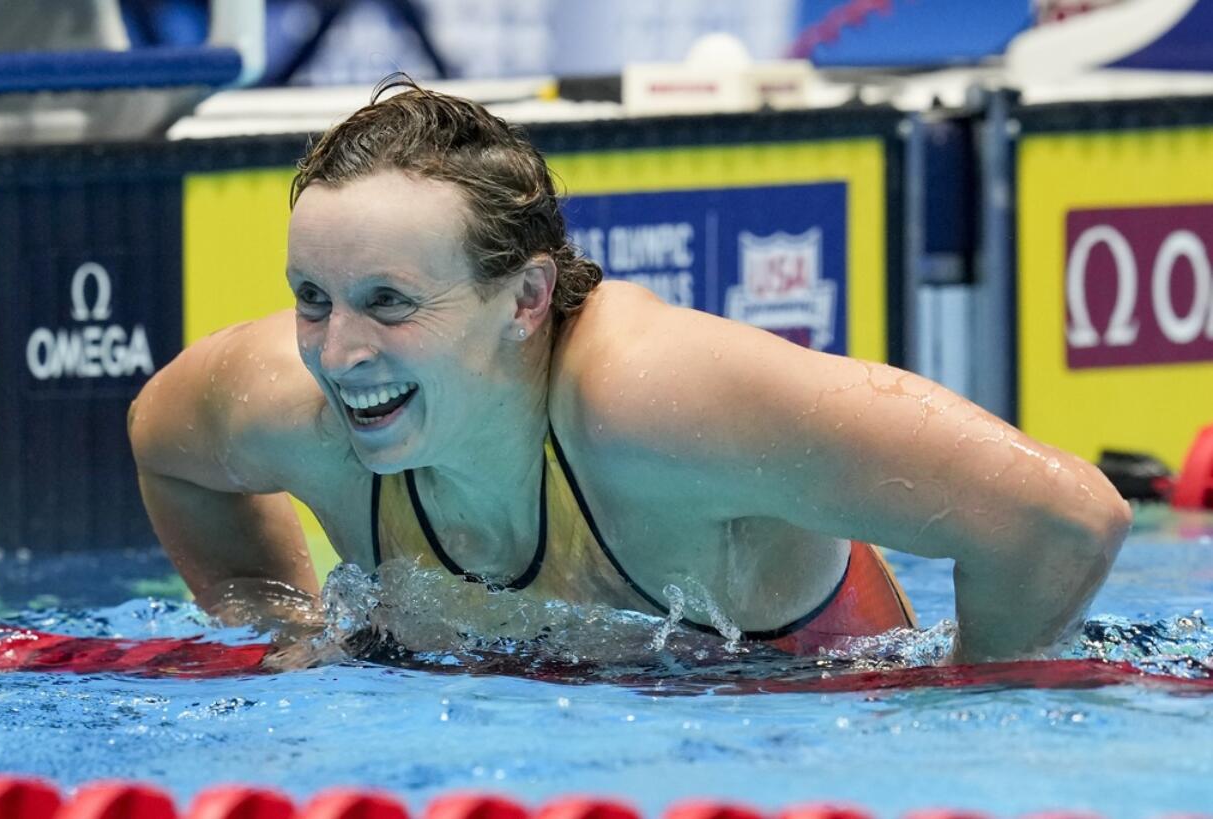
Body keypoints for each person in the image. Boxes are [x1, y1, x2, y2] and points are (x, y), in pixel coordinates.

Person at [128, 79, 1131, 665]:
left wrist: (975, 713)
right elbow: (164, 447)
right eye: (312, 298)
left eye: (389, 303)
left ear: (525, 300)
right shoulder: (300, 404)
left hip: (811, 729)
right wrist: (278, 631)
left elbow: (1058, 517)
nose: (337, 352)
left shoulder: (651, 401)